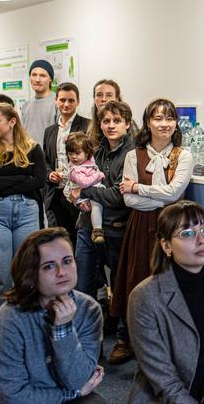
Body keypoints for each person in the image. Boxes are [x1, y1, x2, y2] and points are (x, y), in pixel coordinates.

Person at [0, 227, 105, 403]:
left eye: (67, 261)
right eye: (49, 266)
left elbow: (79, 380)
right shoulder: (7, 321)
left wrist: (64, 330)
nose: (61, 272)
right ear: (30, 273)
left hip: (59, 394)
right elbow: (13, 397)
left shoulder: (89, 309)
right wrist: (71, 394)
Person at [127, 200, 204, 403]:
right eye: (187, 233)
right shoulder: (145, 296)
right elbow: (164, 381)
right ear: (166, 246)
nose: (201, 240)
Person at [110, 98, 193, 364]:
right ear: (148, 122)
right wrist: (149, 195)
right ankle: (132, 340)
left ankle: (168, 343)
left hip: (171, 226)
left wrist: (138, 187)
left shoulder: (184, 155)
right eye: (158, 118)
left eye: (169, 118)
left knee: (170, 283)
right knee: (137, 281)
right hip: (140, 225)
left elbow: (174, 193)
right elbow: (129, 201)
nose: (164, 124)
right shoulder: (134, 155)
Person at [70, 100, 135, 362]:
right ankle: (86, 346)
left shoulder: (132, 155)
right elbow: (74, 180)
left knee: (121, 288)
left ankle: (124, 340)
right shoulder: (95, 150)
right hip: (87, 228)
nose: (110, 125)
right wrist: (78, 193)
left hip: (117, 229)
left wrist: (85, 190)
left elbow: (118, 197)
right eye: (106, 120)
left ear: (127, 124)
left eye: (116, 121)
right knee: (81, 288)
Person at [0, 103, 47, 322]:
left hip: (27, 212)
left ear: (12, 122)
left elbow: (39, 180)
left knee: (27, 272)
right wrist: (22, 179)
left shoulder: (33, 148)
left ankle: (29, 325)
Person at [43, 82, 90, 244]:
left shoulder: (87, 125)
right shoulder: (50, 131)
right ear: (56, 100)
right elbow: (46, 160)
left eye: (71, 100)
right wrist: (49, 173)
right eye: (62, 100)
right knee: (59, 240)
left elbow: (93, 157)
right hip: (56, 193)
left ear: (78, 101)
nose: (66, 104)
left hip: (78, 193)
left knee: (80, 240)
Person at [64, 132, 105, 243]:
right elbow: (84, 183)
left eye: (77, 153)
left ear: (87, 153)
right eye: (70, 153)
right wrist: (98, 175)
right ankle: (97, 230)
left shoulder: (87, 160)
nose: (73, 157)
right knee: (97, 204)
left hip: (88, 192)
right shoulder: (75, 169)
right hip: (82, 196)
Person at [87, 79, 138, 143]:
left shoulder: (128, 122)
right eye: (99, 95)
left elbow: (138, 148)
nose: (103, 99)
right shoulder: (90, 125)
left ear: (117, 99)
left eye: (109, 95)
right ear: (94, 99)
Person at [21, 59, 57, 143]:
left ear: (50, 79)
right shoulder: (25, 106)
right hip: (28, 155)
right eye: (34, 75)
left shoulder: (58, 103)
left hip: (49, 155)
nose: (37, 79)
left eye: (42, 75)